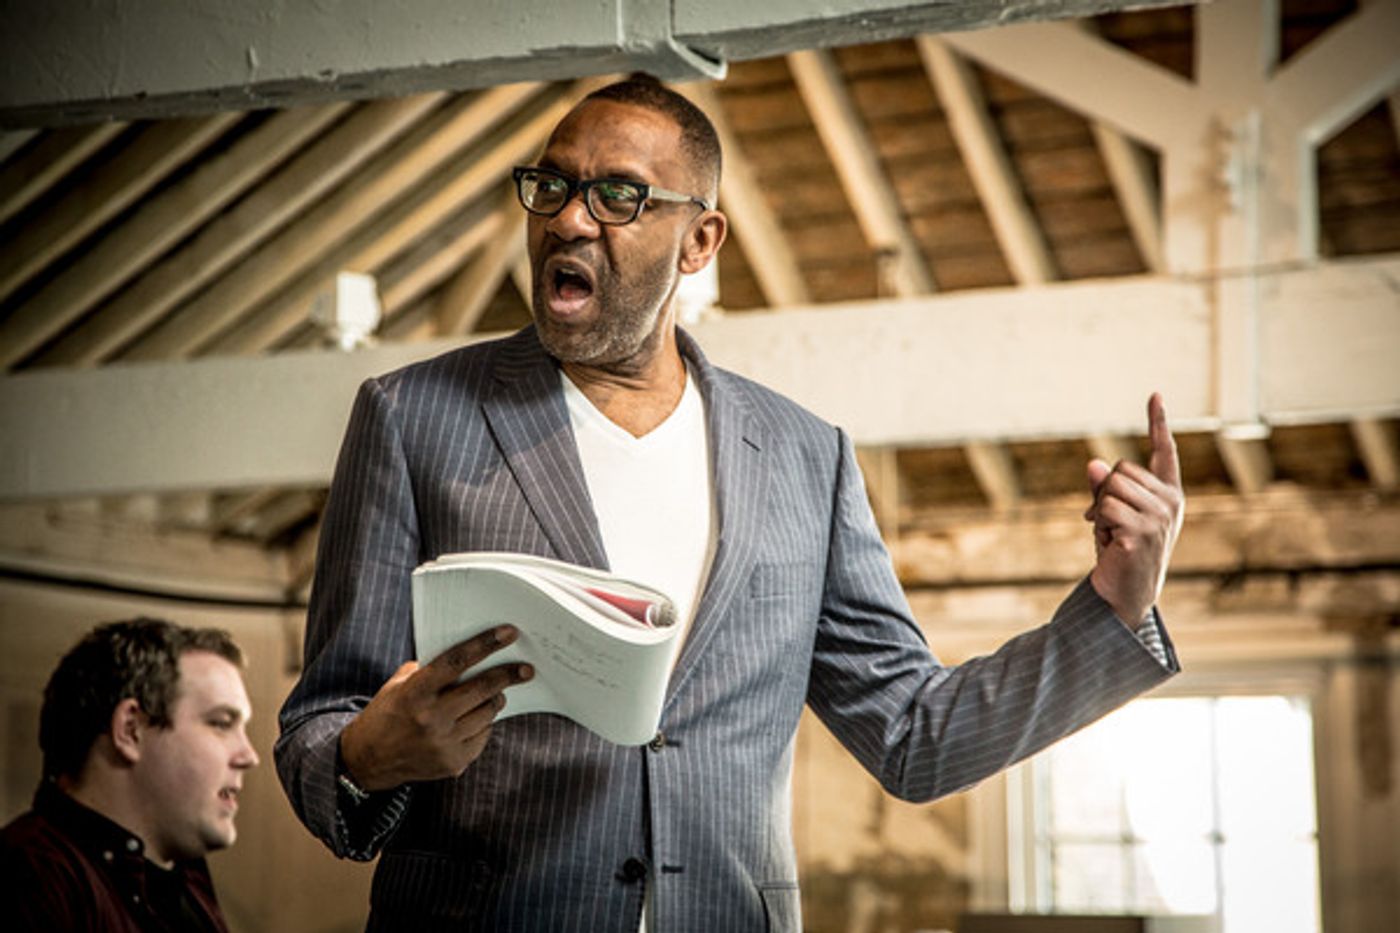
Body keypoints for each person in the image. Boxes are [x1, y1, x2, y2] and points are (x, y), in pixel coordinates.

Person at [276, 75, 1184, 931]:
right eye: (550, 186)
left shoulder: (803, 456)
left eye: (617, 196)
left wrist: (1115, 608)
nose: (568, 220)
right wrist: (369, 753)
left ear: (700, 241)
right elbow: (320, 728)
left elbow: (914, 734)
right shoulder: (412, 418)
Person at [2, 618, 259, 932]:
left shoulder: (187, 879)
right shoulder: (28, 877)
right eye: (220, 723)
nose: (249, 756)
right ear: (130, 729)